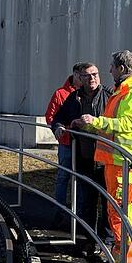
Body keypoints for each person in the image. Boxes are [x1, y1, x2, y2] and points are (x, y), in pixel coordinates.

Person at [73, 50, 132, 263]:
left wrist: (96, 121)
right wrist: (90, 125)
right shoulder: (125, 90)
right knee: (116, 210)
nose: (109, 70)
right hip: (115, 160)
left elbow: (128, 124)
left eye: (112, 67)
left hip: (123, 162)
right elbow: (114, 124)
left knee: (121, 211)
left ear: (122, 69)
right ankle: (121, 252)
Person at [52, 63, 112, 246]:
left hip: (105, 160)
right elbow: (58, 118)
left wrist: (97, 123)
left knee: (108, 204)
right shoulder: (74, 97)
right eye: (87, 76)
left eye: (95, 74)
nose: (92, 78)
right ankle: (89, 241)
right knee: (87, 203)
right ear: (80, 78)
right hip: (84, 158)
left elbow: (117, 123)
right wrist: (60, 127)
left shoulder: (110, 96)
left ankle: (108, 242)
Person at [45, 64, 82, 212]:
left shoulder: (88, 93)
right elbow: (51, 116)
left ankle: (79, 213)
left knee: (81, 180)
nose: (85, 79)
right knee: (63, 177)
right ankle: (59, 211)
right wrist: (60, 129)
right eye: (81, 76)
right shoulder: (61, 93)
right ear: (75, 75)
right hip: (66, 143)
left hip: (82, 144)